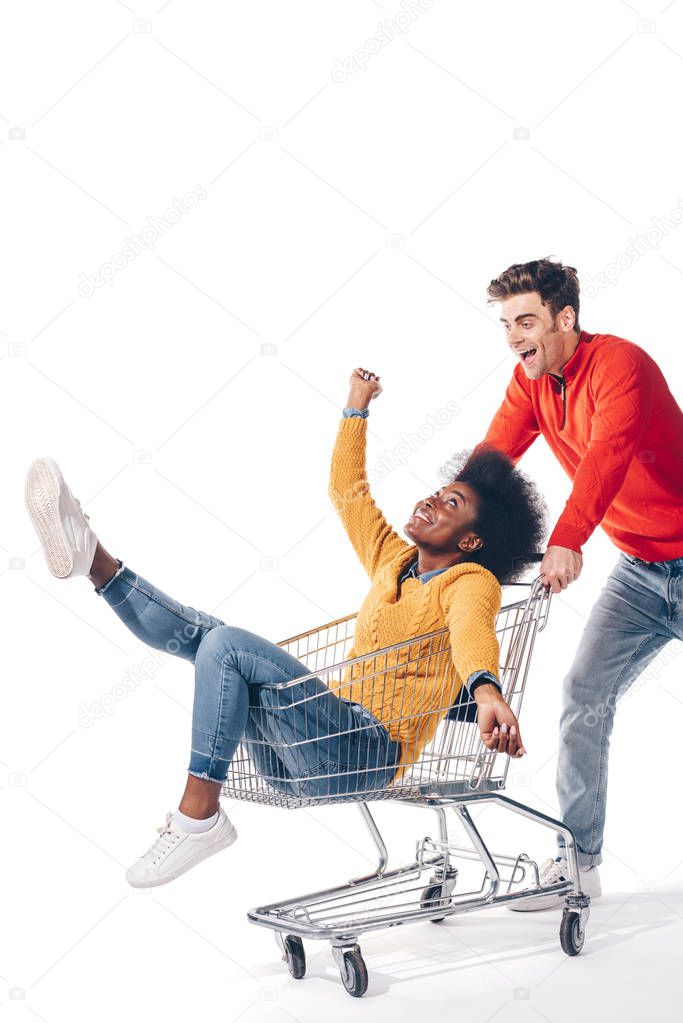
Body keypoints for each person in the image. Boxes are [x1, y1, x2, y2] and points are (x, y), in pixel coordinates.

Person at [25, 367, 546, 889]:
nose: (430, 501)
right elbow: (348, 492)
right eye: (436, 493)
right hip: (307, 748)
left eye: (450, 504)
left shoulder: (471, 581)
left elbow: (472, 632)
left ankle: (199, 812)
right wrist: (356, 408)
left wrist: (485, 687)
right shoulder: (394, 559)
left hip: (364, 749)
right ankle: (92, 558)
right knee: (211, 640)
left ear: (472, 542)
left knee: (223, 643)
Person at [482, 257, 683, 911]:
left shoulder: (619, 363)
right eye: (507, 323)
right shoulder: (531, 381)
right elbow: (492, 463)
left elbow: (608, 451)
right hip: (640, 572)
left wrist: (567, 536)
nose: (515, 336)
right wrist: (440, 532)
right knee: (582, 695)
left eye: (527, 320)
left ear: (564, 318)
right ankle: (579, 863)